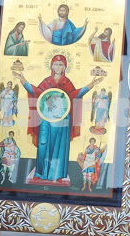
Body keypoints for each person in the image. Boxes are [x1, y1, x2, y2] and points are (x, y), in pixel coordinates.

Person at [13, 55, 102, 183]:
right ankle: (40, 172)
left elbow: (74, 95)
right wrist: (23, 80)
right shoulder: (46, 81)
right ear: (51, 66)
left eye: (61, 65)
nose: (58, 67)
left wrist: (91, 85)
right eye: (55, 64)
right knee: (43, 144)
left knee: (59, 146)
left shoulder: (67, 83)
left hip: (62, 120)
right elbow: (36, 92)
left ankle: (57, 174)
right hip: (45, 119)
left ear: (65, 67)